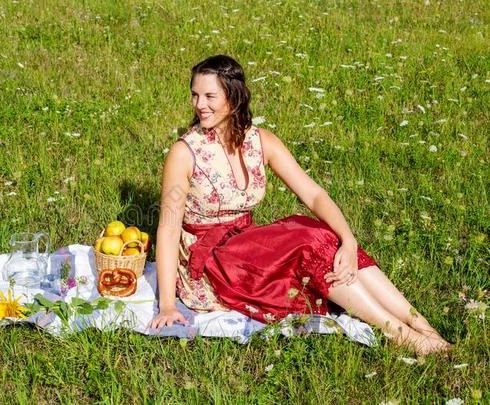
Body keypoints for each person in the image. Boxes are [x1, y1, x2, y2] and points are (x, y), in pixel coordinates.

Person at [148, 54, 450, 355]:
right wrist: (167, 305)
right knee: (307, 242)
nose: (200, 104)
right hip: (212, 263)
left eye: (210, 95)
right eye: (195, 95)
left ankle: (424, 328)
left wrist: (348, 240)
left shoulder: (260, 140)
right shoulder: (184, 152)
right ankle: (403, 336)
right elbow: (168, 228)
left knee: (319, 232)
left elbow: (313, 194)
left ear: (234, 97)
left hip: (244, 243)